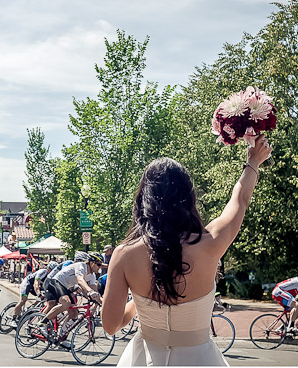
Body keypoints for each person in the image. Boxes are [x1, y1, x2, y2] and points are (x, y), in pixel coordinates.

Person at [102, 140, 271, 366]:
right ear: (188, 197)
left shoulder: (124, 254)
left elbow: (111, 325)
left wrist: (140, 302)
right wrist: (253, 162)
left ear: (144, 198)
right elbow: (240, 200)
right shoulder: (211, 244)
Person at [43, 252, 104, 346]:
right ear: (92, 262)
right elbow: (80, 280)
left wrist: (104, 304)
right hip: (55, 282)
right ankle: (42, 323)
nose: (99, 268)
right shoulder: (81, 266)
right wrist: (89, 291)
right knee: (66, 302)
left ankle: (62, 338)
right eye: (98, 265)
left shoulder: (92, 275)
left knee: (74, 313)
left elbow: (96, 292)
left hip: (66, 287)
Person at [12, 262, 57, 327]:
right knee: (23, 300)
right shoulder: (43, 272)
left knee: (42, 299)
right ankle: (13, 319)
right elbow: (36, 284)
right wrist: (39, 294)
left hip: (35, 287)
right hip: (27, 284)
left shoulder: (51, 276)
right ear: (49, 269)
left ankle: (30, 309)